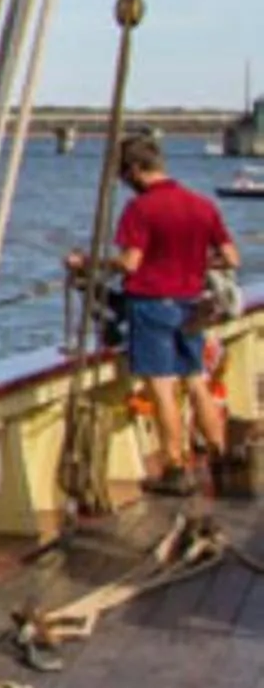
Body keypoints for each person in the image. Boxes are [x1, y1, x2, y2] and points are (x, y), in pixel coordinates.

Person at [72, 131, 238, 495]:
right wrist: (193, 262)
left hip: (152, 305)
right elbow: (230, 258)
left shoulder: (141, 209)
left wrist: (88, 263)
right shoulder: (202, 204)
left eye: (123, 175)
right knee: (196, 381)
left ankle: (175, 467)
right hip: (192, 303)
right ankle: (220, 456)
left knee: (162, 387)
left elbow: (130, 262)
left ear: (134, 170)